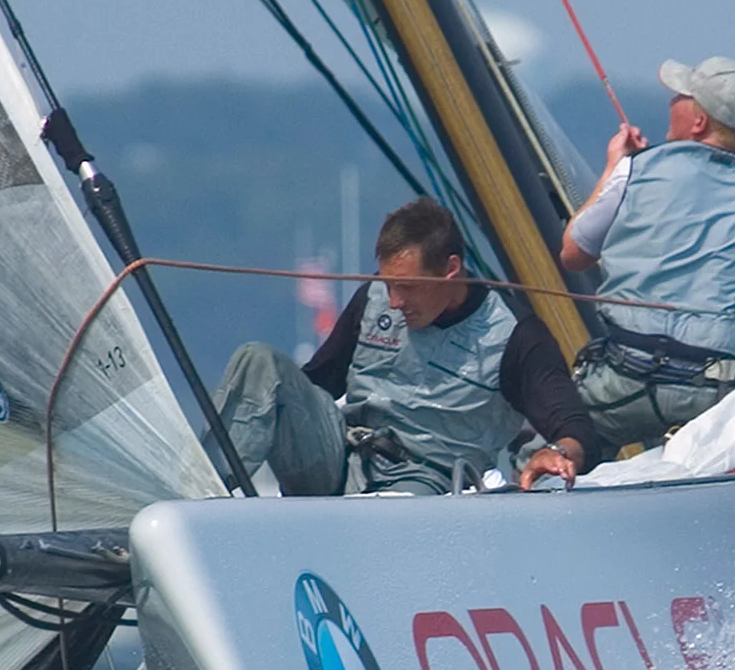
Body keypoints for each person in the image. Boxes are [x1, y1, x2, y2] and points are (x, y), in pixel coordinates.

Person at [214, 198, 598, 496]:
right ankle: (194, 499)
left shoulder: (515, 335)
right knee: (258, 361)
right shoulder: (374, 300)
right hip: (342, 456)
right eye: (388, 283)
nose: (394, 301)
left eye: (408, 287)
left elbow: (575, 428)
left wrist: (560, 455)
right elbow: (315, 385)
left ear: (450, 269)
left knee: (380, 522)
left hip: (425, 481)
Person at [560, 56, 735, 448]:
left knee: (556, 445)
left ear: (699, 121)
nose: (670, 101)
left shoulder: (637, 170)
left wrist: (614, 168)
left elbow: (573, 254)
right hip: (716, 391)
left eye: (679, 96)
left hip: (623, 379)